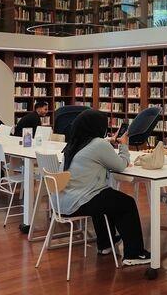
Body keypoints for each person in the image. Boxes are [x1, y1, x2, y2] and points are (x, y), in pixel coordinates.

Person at [59, 109, 151, 265]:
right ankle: (134, 253)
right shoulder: (98, 145)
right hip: (79, 201)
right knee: (126, 203)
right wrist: (123, 146)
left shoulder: (74, 144)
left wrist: (108, 141)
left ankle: (105, 244)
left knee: (105, 196)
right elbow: (121, 165)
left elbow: (94, 150)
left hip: (63, 201)